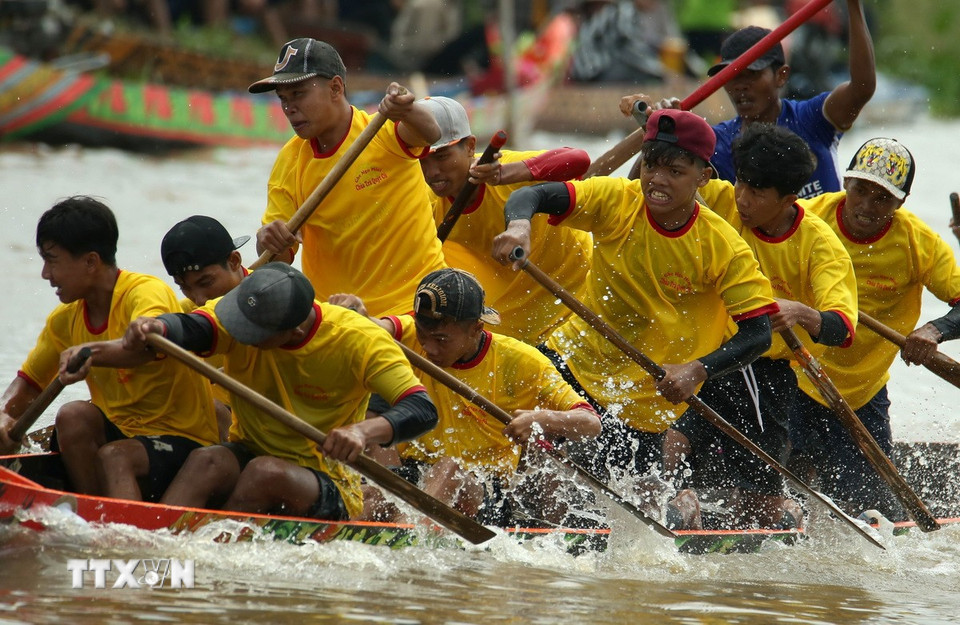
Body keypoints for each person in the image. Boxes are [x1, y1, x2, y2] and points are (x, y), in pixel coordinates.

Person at [490, 110, 778, 500]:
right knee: (522, 461)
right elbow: (532, 195)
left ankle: (677, 507)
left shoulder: (723, 247)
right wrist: (519, 225)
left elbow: (758, 334)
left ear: (703, 178)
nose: (657, 180)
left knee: (630, 501)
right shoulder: (617, 199)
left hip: (645, 399)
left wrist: (695, 370)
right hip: (574, 357)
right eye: (650, 166)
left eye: (674, 172)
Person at [121, 263, 437, 520]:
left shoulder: (359, 339)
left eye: (252, 332)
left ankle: (212, 546)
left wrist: (362, 432)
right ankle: (155, 539)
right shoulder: (244, 309)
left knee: (264, 472)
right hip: (250, 450)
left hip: (325, 477)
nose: (239, 333)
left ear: (295, 331)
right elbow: (195, 328)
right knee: (207, 460)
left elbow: (421, 408)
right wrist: (159, 327)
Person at [663, 123, 858, 529]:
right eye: (740, 183)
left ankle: (788, 514)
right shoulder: (722, 200)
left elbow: (841, 328)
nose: (741, 199)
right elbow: (656, 190)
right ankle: (675, 504)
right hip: (709, 353)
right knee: (672, 442)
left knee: (759, 508)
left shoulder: (820, 245)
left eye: (756, 192)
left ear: (788, 199)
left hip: (766, 375)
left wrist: (801, 313)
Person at [335, 268, 601, 525]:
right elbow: (374, 326)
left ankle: (410, 537)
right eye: (422, 335)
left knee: (448, 469)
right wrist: (355, 313)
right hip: (415, 472)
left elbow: (591, 422)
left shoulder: (524, 362)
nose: (428, 348)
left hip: (483, 489)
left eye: (441, 340)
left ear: (476, 328)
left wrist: (540, 419)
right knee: (369, 496)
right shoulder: (408, 334)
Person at [0, 197, 219, 502]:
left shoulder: (145, 292)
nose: (45, 274)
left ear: (91, 262)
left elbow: (146, 346)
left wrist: (90, 352)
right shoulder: (64, 321)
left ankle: (115, 522)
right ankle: (89, 509)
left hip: (184, 443)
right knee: (72, 416)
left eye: (52, 260)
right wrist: (3, 417)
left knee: (115, 456)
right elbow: (28, 385)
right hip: (124, 435)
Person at [788, 138, 960, 519]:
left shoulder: (919, 242)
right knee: (783, 484)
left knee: (875, 513)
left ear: (900, 203)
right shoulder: (805, 219)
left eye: (882, 198)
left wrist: (934, 331)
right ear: (845, 183)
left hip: (862, 390)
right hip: (795, 375)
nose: (866, 206)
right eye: (861, 190)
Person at [251, 38, 446, 317]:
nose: (289, 108)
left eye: (298, 94)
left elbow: (431, 133)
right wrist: (267, 240)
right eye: (283, 98)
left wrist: (407, 110)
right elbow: (278, 260)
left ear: (335, 88)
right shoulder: (289, 163)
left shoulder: (381, 129)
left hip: (416, 305)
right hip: (342, 317)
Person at [620, 0, 876, 199]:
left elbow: (862, 88)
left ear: (781, 76)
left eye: (751, 75)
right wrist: (659, 132)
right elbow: (638, 195)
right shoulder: (715, 143)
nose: (740, 86)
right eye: (731, 77)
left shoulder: (812, 118)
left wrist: (854, 7)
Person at [418, 96, 593, 344]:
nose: (432, 172)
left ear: (470, 147)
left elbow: (579, 159)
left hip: (579, 292)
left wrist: (504, 175)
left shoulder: (504, 168)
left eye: (442, 157)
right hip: (516, 316)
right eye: (422, 160)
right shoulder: (428, 205)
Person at [160, 215, 250, 442]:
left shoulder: (274, 302)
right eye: (184, 287)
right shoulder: (184, 314)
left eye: (206, 282)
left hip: (263, 420)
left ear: (234, 261)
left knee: (210, 408)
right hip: (209, 421)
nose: (199, 299)